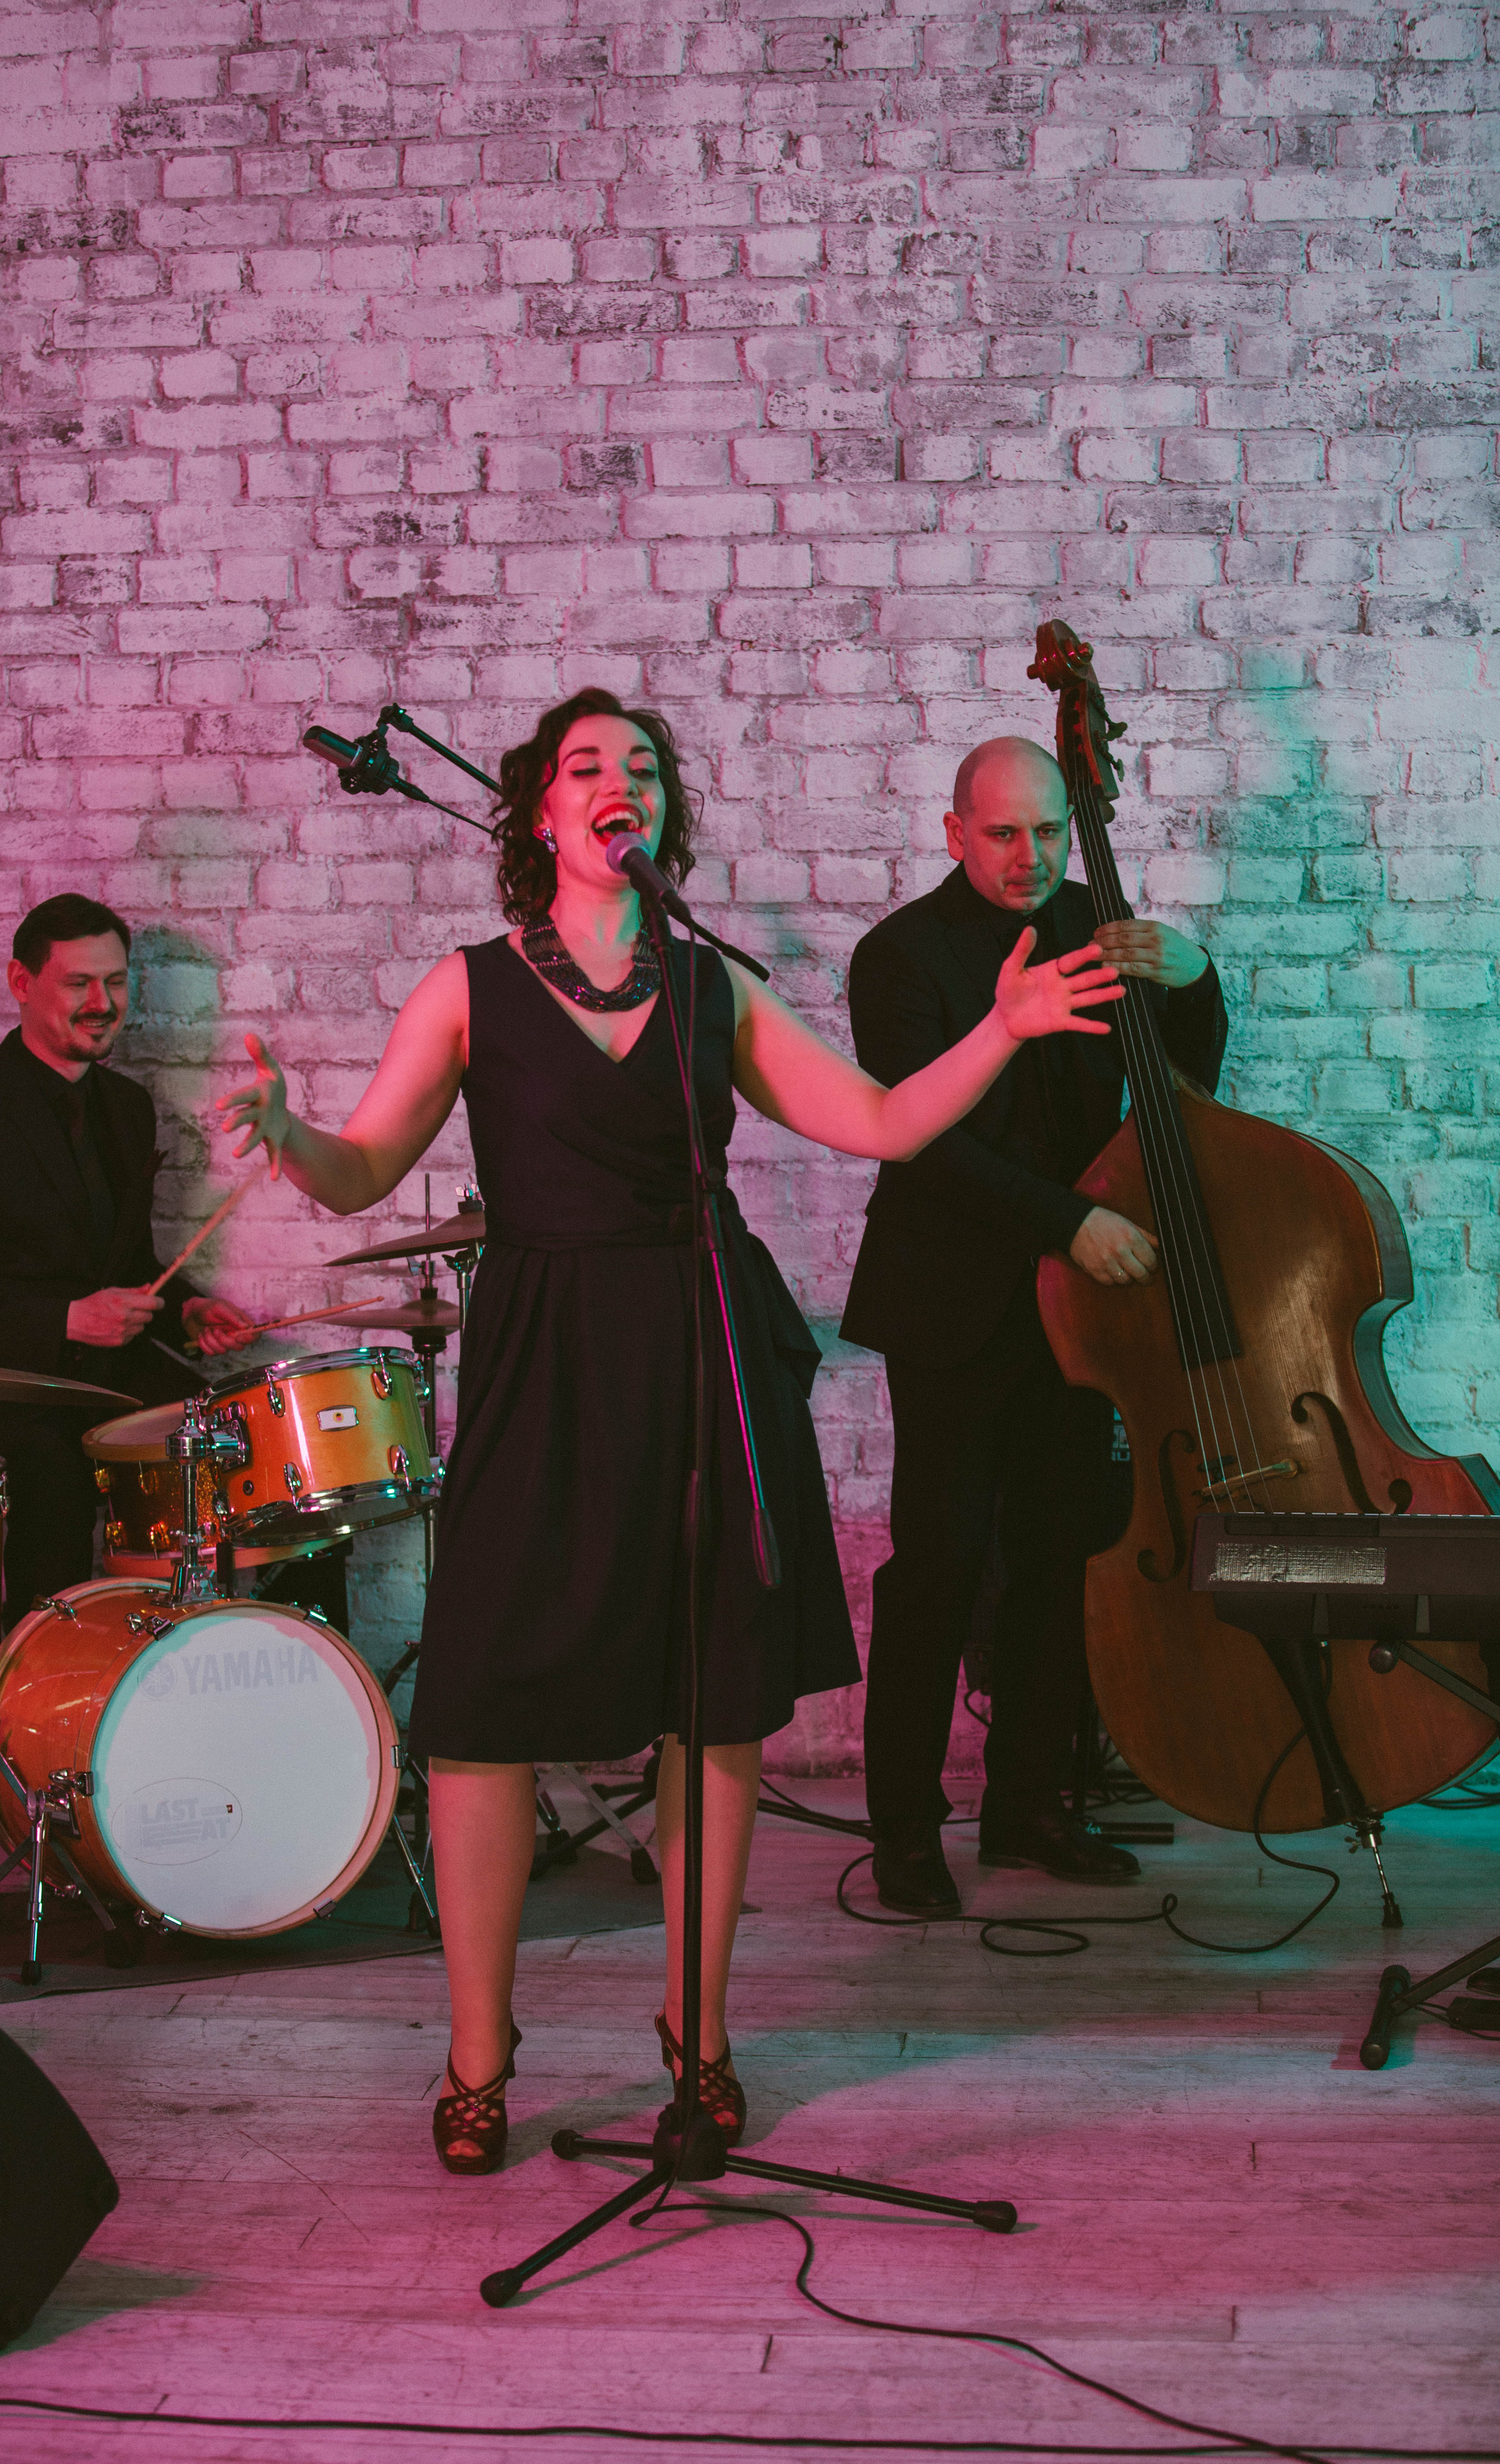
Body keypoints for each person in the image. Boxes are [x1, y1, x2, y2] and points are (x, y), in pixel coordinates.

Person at [218, 688, 1124, 2175]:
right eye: (586, 763)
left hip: (701, 1350)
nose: (617, 780)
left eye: (640, 765)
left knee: (714, 1703)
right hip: (546, 1358)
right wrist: (287, 1133)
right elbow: (361, 1165)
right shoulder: (466, 988)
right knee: (485, 1709)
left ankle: (696, 2035)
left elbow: (883, 1123)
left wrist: (1005, 1027)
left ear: (659, 817)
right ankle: (477, 2049)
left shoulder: (715, 987)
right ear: (538, 812)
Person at [841, 736, 1228, 1909]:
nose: (1031, 854)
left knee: (1062, 1559)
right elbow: (927, 1143)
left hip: (1083, 1308)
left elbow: (1182, 1092)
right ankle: (906, 1829)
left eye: (1049, 829)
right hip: (954, 1302)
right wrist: (1068, 1222)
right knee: (940, 1564)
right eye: (1003, 832)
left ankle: (1028, 1808)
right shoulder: (898, 955)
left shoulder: (1094, 931)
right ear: (954, 831)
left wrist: (1194, 978)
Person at [0, 894, 257, 1620]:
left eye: (115, 982)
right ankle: (38, 1679)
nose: (102, 1003)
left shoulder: (128, 1107)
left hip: (103, 1378)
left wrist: (184, 1309)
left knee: (238, 1446)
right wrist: (66, 1320)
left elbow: (126, 1262)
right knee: (52, 1499)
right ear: (21, 983)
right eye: (79, 982)